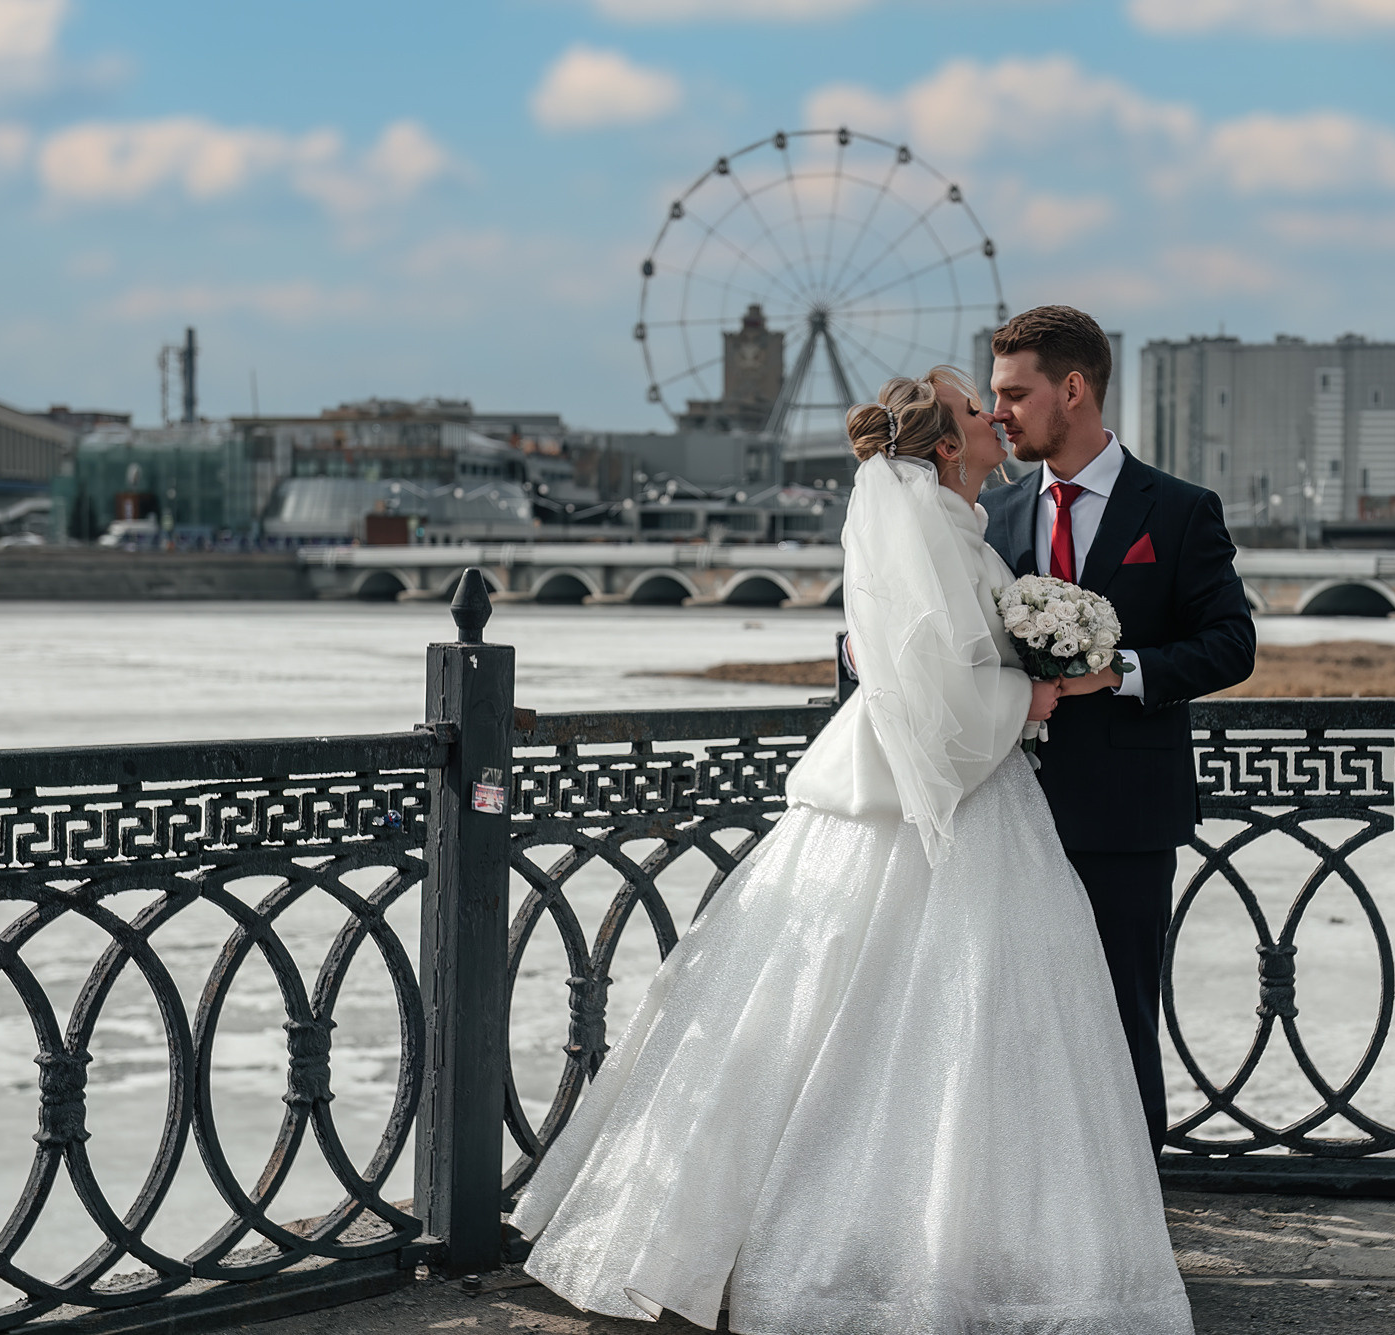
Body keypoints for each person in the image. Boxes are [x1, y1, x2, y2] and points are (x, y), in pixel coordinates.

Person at [512, 366, 1196, 1334]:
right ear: (948, 447)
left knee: (867, 1019)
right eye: (977, 410)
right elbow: (946, 691)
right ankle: (947, 1252)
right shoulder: (944, 528)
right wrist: (1030, 697)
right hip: (964, 797)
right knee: (954, 1027)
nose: (996, 420)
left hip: (930, 791)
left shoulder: (946, 520)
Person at [981, 306, 1257, 1156]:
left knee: (1120, 1010)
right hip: (1005, 810)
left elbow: (1231, 644)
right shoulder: (995, 519)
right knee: (1012, 1017)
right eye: (994, 397)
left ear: (1074, 389)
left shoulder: (1176, 511)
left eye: (1016, 394)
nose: (1001, 414)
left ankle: (1135, 1206)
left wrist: (1120, 670)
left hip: (1127, 817)